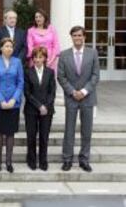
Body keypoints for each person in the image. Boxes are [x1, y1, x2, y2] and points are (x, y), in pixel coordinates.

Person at [58, 26, 100, 172]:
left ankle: (84, 159)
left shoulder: (92, 53)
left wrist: (83, 91)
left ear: (84, 37)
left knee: (86, 130)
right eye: (75, 35)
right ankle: (67, 159)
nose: (77, 38)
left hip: (87, 98)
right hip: (71, 98)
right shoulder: (64, 55)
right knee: (69, 130)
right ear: (71, 37)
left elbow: (95, 76)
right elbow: (61, 76)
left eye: (80, 35)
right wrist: (72, 91)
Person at [0, 37, 24, 173]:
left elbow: (20, 82)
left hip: (13, 103)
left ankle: (9, 162)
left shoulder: (18, 62)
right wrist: (1, 100)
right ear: (1, 48)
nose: (9, 48)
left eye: (11, 46)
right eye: (6, 46)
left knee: (10, 134)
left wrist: (14, 99)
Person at [24, 46, 56, 171]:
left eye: (40, 57)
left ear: (45, 58)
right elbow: (27, 93)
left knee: (44, 136)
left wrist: (46, 106)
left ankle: (43, 160)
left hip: (47, 110)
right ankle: (31, 160)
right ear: (32, 59)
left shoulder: (50, 72)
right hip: (31, 109)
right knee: (31, 136)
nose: (37, 60)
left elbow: (52, 91)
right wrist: (39, 106)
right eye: (35, 57)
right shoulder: (28, 72)